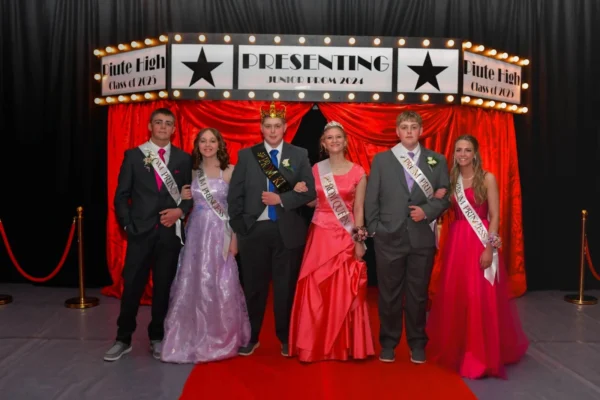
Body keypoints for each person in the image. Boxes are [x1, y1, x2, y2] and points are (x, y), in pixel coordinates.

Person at [426, 134, 529, 379]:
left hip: (479, 240)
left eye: (467, 150)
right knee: (459, 294)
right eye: (459, 150)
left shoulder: (487, 178)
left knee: (479, 296)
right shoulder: (452, 180)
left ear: (475, 153)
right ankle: (461, 349)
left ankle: (482, 353)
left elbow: (495, 215)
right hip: (457, 242)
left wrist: (489, 248)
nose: (462, 154)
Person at [227, 102, 316, 357]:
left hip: (287, 230)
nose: (273, 131)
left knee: (285, 288)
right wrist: (241, 226)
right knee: (253, 287)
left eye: (277, 126)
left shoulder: (298, 154)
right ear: (261, 128)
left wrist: (283, 199)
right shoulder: (247, 155)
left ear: (285, 127)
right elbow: (236, 195)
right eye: (268, 126)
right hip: (254, 230)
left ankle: (285, 337)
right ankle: (252, 336)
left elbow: (309, 192)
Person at [104, 107, 192, 362]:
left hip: (169, 235)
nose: (163, 127)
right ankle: (123, 337)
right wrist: (128, 225)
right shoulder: (133, 156)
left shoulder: (184, 159)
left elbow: (188, 194)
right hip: (140, 233)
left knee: (163, 287)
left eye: (168, 123)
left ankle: (157, 336)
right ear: (150, 126)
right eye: (158, 123)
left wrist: (180, 211)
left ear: (174, 129)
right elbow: (121, 196)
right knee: (132, 286)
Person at [365, 110, 450, 364]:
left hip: (421, 237)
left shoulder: (437, 160)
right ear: (398, 131)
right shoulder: (382, 160)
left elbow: (444, 197)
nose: (410, 131)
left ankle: (417, 342)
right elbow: (372, 198)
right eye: (405, 127)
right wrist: (376, 228)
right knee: (388, 294)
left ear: (421, 131)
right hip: (388, 237)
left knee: (418, 294)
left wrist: (427, 210)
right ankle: (389, 342)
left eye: (414, 126)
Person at [161, 128, 251, 363]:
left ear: (220, 144)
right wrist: (181, 196)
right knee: (193, 281)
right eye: (203, 141)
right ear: (197, 145)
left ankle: (221, 335)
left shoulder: (230, 172)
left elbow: (236, 209)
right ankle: (191, 334)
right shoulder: (191, 172)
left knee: (221, 282)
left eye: (212, 141)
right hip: (197, 233)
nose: (208, 145)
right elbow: (183, 204)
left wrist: (235, 238)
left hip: (221, 233)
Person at [288, 121, 374, 362]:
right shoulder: (316, 169)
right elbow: (312, 202)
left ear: (345, 141)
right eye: (330, 138)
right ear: (323, 144)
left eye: (338, 137)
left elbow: (359, 209)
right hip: (320, 235)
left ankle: (342, 346)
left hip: (345, 237)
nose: (334, 141)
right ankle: (313, 344)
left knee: (343, 290)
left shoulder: (359, 172)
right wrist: (300, 192)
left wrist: (359, 240)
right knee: (315, 288)